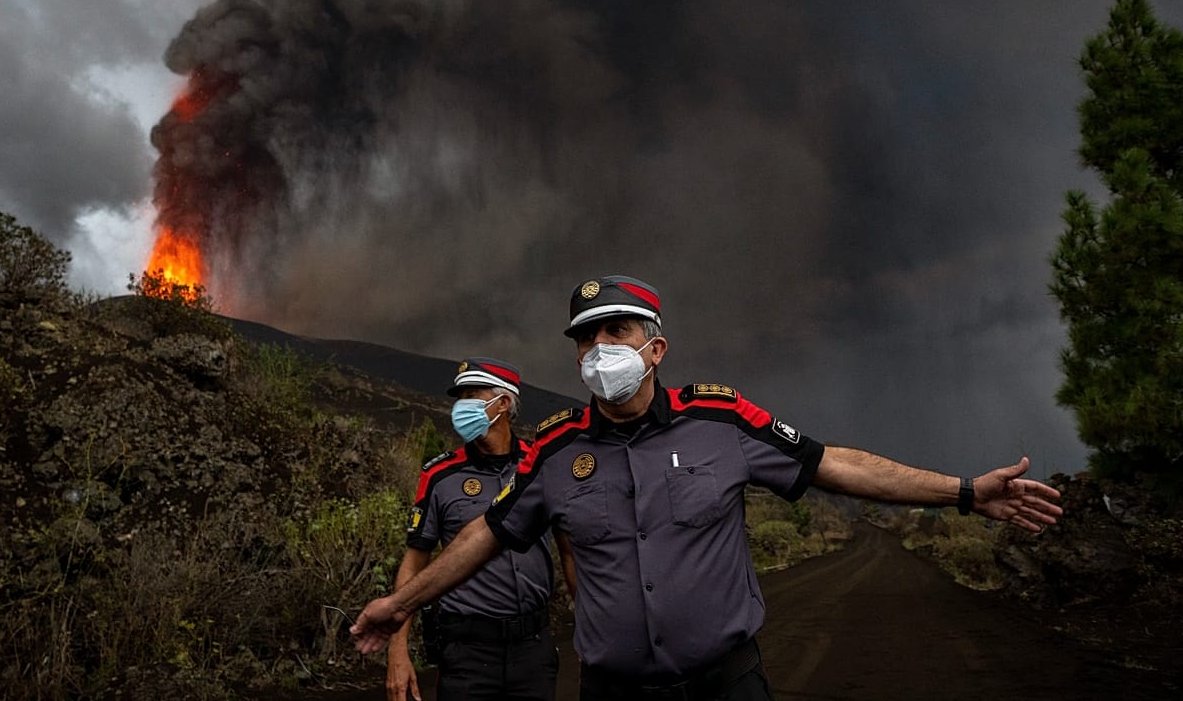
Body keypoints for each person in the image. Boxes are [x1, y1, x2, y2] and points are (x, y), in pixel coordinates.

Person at [355, 276, 1064, 701]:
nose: (599, 349)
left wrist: (964, 493)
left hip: (727, 684)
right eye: (585, 338)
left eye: (617, 331)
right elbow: (485, 534)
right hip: (615, 693)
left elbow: (832, 463)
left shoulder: (722, 419)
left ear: (655, 349)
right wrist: (398, 606)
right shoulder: (557, 449)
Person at [386, 356, 577, 701]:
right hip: (467, 651)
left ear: (503, 402)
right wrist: (397, 652)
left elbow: (568, 550)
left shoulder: (541, 467)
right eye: (458, 398)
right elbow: (414, 561)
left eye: (471, 395)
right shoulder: (440, 476)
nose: (460, 407)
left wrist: (591, 626)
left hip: (532, 647)